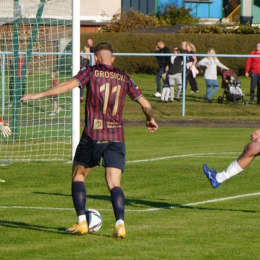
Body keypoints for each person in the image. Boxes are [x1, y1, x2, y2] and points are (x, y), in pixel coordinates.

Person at [20, 42, 158, 238]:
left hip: (94, 134)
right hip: (117, 137)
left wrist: (39, 94)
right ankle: (120, 224)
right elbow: (145, 105)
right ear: (113, 58)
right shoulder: (124, 77)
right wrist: (150, 119)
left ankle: (82, 222)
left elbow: (68, 86)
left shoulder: (90, 71)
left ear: (95, 57)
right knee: (114, 184)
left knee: (78, 176)